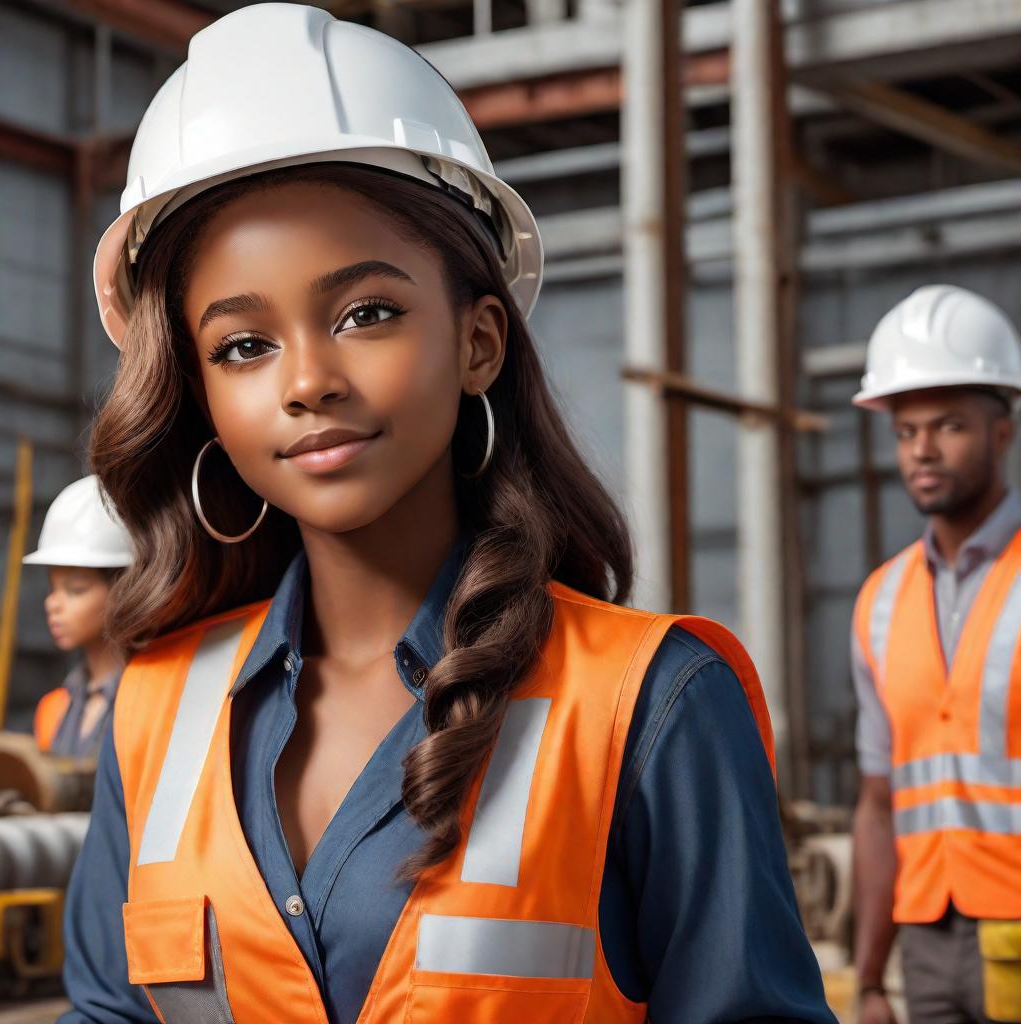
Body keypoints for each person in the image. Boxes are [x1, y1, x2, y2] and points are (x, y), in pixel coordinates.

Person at [59, 6, 835, 1022]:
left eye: (365, 313)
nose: (307, 381)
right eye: (243, 345)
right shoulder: (152, 714)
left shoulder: (650, 706)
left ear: (478, 341)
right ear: (198, 391)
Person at [850, 285, 1021, 1024]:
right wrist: (869, 979)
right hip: (925, 941)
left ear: (1003, 432)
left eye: (948, 426)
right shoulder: (879, 602)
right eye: (905, 430)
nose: (922, 449)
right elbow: (879, 803)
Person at [24, 475, 132, 759]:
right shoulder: (54, 710)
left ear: (124, 588)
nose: (53, 604)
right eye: (52, 588)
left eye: (75, 590)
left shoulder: (148, 703)